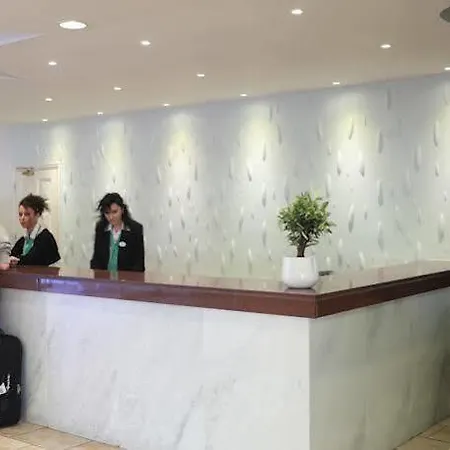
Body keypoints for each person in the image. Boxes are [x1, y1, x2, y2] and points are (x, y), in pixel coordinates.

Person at [90, 193, 145, 272]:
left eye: (114, 212)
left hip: (127, 277)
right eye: (107, 213)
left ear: (122, 210)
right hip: (104, 277)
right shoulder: (101, 228)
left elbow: (139, 262)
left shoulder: (135, 229)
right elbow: (96, 258)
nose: (111, 217)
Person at [10, 194, 60, 267]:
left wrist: (16, 260)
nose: (22, 218)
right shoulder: (24, 239)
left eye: (27, 214)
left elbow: (32, 260)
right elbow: (11, 254)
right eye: (20, 214)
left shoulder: (45, 237)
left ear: (37, 214)